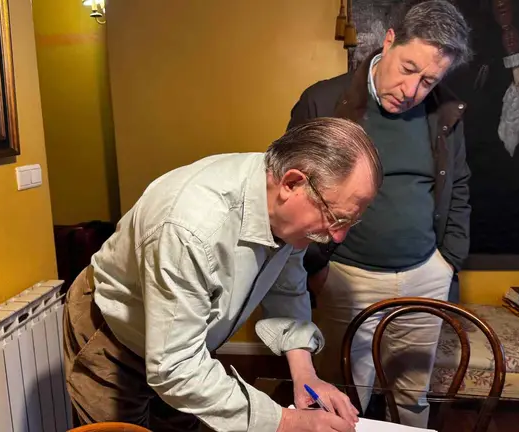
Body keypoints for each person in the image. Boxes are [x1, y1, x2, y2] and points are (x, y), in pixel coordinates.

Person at [62, 117, 384, 432]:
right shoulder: (191, 227)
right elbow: (175, 369)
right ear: (292, 183)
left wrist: (306, 375)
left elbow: (286, 286)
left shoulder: (290, 209)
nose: (338, 236)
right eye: (335, 218)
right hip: (113, 337)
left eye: (348, 223)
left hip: (182, 345)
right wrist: (285, 421)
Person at [287, 0, 472, 427]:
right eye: (408, 69)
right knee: (341, 396)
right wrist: (316, 266)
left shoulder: (446, 112)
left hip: (426, 274)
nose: (412, 90)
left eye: (428, 80)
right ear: (389, 41)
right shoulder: (323, 100)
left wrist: (448, 261)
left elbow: (458, 186)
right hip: (346, 276)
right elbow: (291, 189)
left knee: (412, 396)